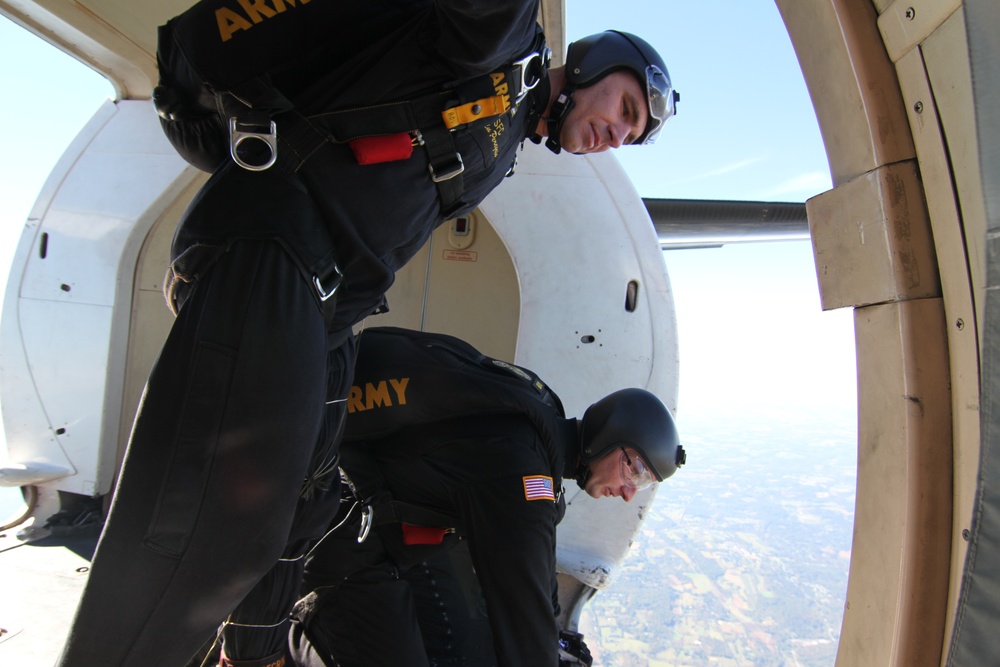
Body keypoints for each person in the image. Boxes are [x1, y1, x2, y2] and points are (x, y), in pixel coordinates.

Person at [55, 3, 679, 664]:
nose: (618, 135)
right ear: (592, 66)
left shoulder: (506, 136)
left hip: (325, 313)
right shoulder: (497, 40)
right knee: (192, 536)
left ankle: (252, 654)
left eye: (631, 137)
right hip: (271, 249)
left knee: (296, 503)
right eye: (627, 111)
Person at [286, 326, 686, 667]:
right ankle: (287, 638)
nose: (631, 491)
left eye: (645, 481)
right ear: (610, 437)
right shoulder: (522, 473)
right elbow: (521, 614)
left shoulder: (537, 421)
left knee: (457, 634)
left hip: (368, 515)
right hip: (340, 533)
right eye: (633, 467)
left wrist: (553, 641)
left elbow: (536, 570)